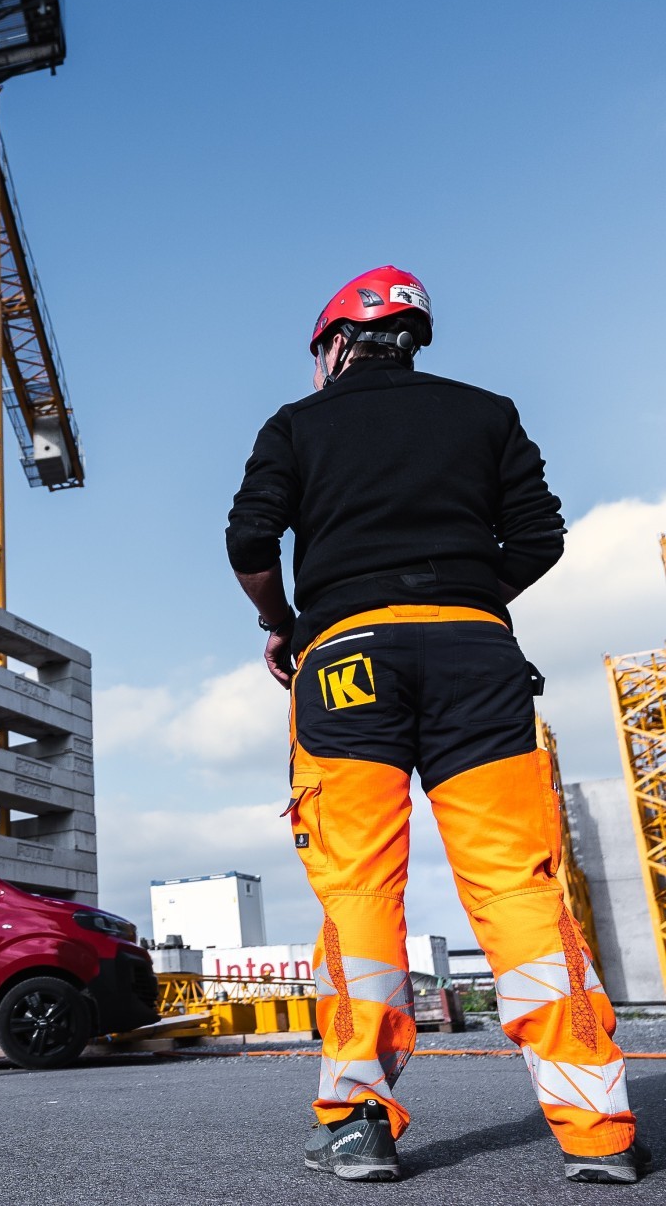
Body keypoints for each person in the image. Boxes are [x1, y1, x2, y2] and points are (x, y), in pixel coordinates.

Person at [227, 266, 643, 1184]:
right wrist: (460, 595)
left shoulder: (297, 424)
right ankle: (599, 1132)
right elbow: (540, 537)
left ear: (336, 343)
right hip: (477, 662)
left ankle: (358, 1122)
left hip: (344, 664)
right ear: (412, 338)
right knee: (518, 888)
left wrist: (282, 624)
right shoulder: (488, 412)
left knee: (361, 892)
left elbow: (251, 542)